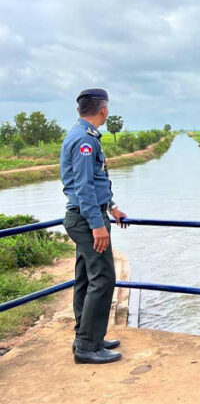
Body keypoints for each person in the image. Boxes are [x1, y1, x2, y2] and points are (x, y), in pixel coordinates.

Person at [60, 88, 129, 365]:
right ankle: (87, 347)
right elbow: (84, 186)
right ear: (103, 110)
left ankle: (87, 336)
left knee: (86, 279)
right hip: (87, 219)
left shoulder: (81, 135)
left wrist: (111, 207)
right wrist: (98, 225)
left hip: (86, 215)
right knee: (103, 278)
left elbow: (96, 182)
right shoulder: (85, 141)